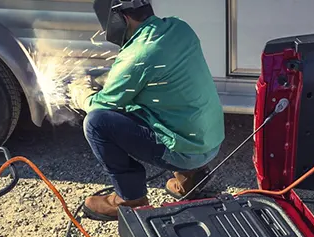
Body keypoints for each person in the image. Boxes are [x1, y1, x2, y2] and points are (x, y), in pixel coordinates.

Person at [69, 0, 225, 221]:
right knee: (142, 105)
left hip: (187, 152)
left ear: (121, 18)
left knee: (96, 123)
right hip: (210, 140)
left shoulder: (137, 55)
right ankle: (191, 176)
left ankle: (130, 199)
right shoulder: (179, 27)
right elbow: (156, 76)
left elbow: (100, 105)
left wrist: (81, 95)